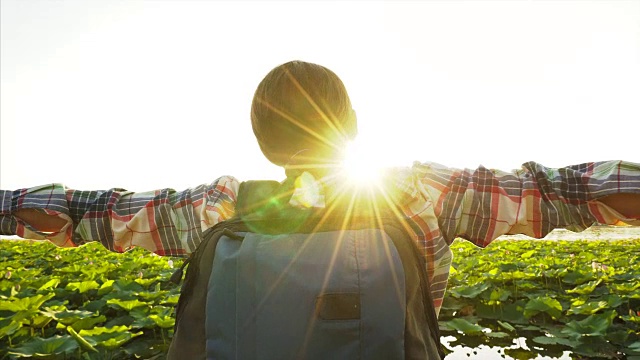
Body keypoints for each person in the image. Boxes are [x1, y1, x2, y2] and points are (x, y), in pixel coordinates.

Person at [1, 60, 640, 316]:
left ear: (261, 144)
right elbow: (558, 193)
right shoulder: (420, 194)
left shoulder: (218, 207)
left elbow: (92, 213)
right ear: (354, 127)